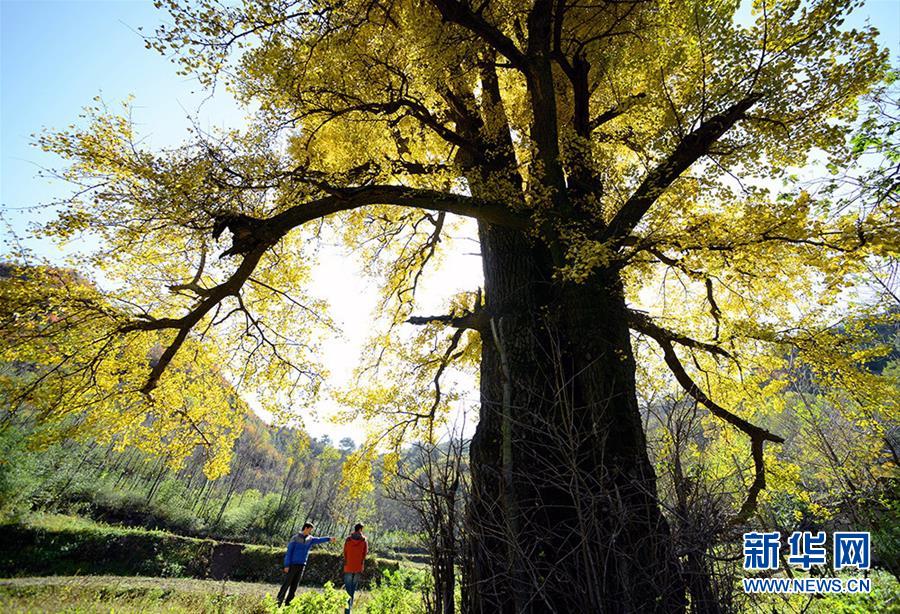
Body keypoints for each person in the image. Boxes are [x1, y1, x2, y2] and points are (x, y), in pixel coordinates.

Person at [277, 522, 336, 607]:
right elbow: (289, 552)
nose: (310, 532)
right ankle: (278, 603)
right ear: (305, 528)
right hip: (292, 565)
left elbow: (319, 539)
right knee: (286, 584)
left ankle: (288, 605)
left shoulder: (310, 539)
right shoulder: (295, 538)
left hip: (302, 565)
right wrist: (286, 565)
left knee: (294, 587)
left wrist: (329, 538)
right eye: (310, 530)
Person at [342, 523, 368, 614]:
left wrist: (347, 560)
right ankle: (349, 608)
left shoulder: (348, 539)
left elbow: (344, 552)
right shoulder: (364, 540)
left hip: (348, 565)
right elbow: (365, 554)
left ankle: (347, 609)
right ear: (360, 529)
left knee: (348, 588)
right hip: (358, 566)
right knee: (353, 588)